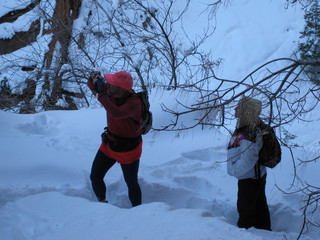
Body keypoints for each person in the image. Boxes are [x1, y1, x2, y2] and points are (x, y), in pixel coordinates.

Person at [87, 71, 143, 207]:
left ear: (121, 89)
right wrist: (93, 80)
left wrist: (101, 94)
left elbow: (116, 112)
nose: (107, 85)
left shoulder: (134, 103)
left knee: (131, 183)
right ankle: (102, 203)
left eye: (110, 83)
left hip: (129, 150)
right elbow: (93, 86)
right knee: (95, 176)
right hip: (109, 145)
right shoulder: (113, 90)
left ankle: (139, 212)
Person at [227, 97, 271, 231]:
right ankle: (265, 234)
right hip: (253, 176)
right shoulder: (246, 127)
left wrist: (234, 170)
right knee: (259, 209)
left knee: (247, 214)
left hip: (249, 178)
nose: (235, 108)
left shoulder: (249, 131)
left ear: (246, 110)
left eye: (239, 106)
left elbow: (249, 159)